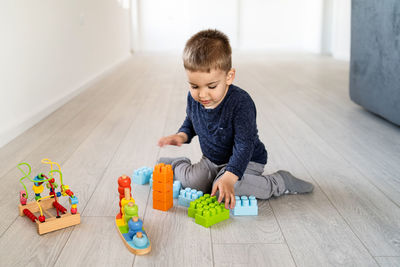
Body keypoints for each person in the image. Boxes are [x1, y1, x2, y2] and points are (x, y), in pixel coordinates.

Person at [158, 29, 313, 209]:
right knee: (194, 183)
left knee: (229, 188)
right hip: (211, 160)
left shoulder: (241, 103)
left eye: (211, 86)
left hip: (247, 160)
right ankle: (177, 165)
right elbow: (192, 121)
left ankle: (280, 182)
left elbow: (244, 145)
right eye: (194, 86)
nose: (202, 94)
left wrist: (230, 176)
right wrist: (181, 136)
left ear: (229, 76)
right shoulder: (194, 99)